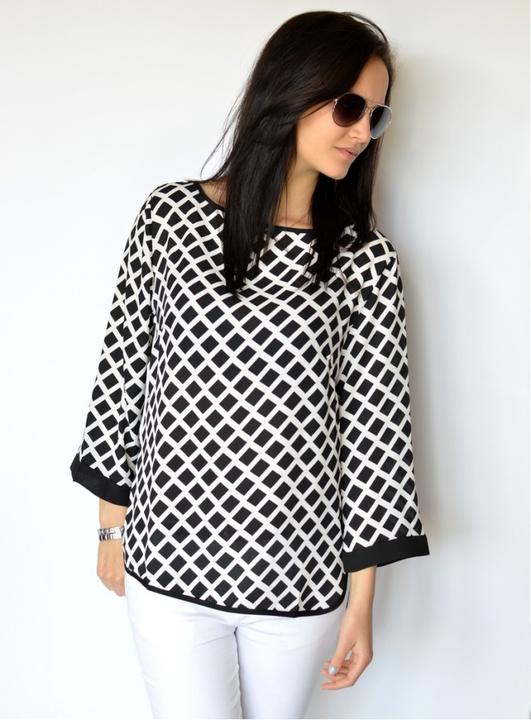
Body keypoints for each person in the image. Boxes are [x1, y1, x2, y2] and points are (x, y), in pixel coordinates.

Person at [70, 9, 430, 719]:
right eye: (350, 107)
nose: (363, 131)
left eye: (377, 115)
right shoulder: (172, 219)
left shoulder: (365, 259)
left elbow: (375, 434)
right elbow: (123, 374)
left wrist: (362, 604)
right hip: (169, 565)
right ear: (291, 92)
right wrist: (111, 526)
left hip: (298, 581)